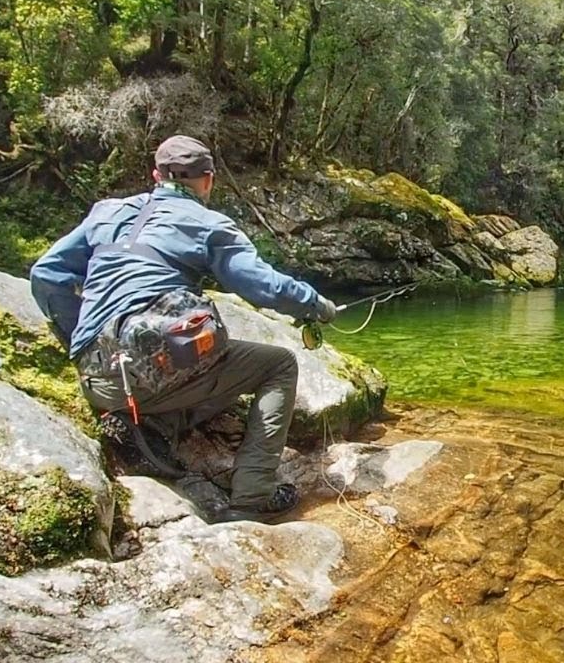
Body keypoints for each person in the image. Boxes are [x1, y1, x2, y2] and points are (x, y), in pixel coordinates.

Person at [29, 135, 337, 523]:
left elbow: (46, 273)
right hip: (152, 377)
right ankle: (252, 496)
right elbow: (263, 286)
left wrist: (86, 339)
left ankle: (147, 426)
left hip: (100, 383)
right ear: (207, 180)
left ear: (156, 175)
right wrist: (316, 304)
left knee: (198, 356)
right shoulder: (209, 224)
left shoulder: (106, 212)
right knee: (278, 364)